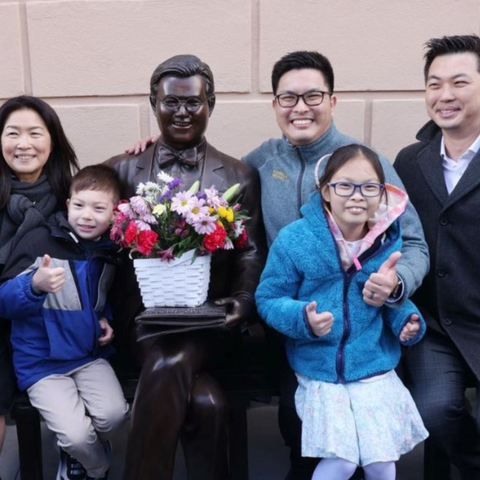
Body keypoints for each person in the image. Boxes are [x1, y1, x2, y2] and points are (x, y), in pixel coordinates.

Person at [127, 50, 430, 479]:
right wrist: (152, 150)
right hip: (287, 325)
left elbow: (413, 244)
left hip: (362, 329)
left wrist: (396, 284)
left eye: (312, 96)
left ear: (332, 101)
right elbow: (206, 188)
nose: (300, 108)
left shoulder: (366, 167)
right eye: (288, 98)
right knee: (298, 422)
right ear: (274, 105)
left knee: (368, 444)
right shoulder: (259, 163)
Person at [106, 54, 266, 480]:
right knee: (203, 400)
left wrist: (244, 301)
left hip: (212, 320)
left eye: (192, 103)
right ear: (153, 103)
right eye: (169, 103)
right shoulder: (119, 170)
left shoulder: (240, 174)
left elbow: (250, 252)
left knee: (184, 380)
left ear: (210, 104)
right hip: (141, 323)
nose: (180, 113)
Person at [256, 144, 428, 480]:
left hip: (371, 367)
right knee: (342, 462)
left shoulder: (386, 242)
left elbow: (386, 302)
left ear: (381, 195)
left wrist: (407, 320)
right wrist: (302, 318)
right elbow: (269, 297)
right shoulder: (296, 240)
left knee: (382, 464)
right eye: (344, 185)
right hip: (320, 369)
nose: (357, 196)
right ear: (325, 191)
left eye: (369, 187)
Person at [0, 164, 130, 480]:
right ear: (68, 204)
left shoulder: (109, 250)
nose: (87, 215)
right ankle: (94, 466)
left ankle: (79, 451)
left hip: (87, 356)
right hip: (41, 364)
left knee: (116, 416)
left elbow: (99, 298)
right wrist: (32, 286)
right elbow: (3, 300)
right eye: (80, 205)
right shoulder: (39, 240)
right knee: (76, 436)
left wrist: (104, 319)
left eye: (99, 208)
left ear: (114, 213)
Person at [394, 34, 480, 480]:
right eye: (434, 83)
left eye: (459, 82)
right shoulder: (410, 161)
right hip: (433, 325)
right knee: (433, 411)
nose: (445, 95)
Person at [0, 95, 80, 479]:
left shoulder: (73, 198)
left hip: (52, 324)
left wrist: (144, 148)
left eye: (35, 133)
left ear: (53, 141)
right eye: (12, 133)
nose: (23, 143)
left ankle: (76, 451)